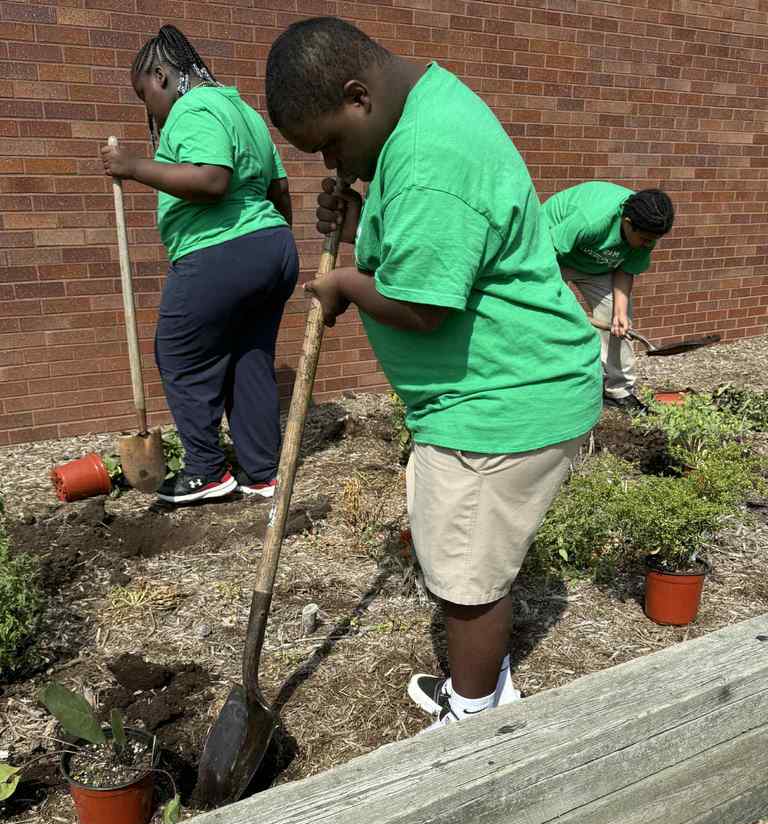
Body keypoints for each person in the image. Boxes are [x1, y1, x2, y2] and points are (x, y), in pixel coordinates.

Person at [265, 18, 602, 729]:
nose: (330, 162)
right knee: (459, 552)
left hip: (503, 397)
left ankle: (475, 719)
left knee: (469, 582)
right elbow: (428, 245)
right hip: (484, 391)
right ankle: (480, 687)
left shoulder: (426, 156)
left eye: (329, 143)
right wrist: (359, 221)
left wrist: (346, 286)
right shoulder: (418, 116)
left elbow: (423, 306)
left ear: (358, 96)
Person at [100, 25, 299, 504]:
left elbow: (211, 180)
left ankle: (207, 471)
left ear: (163, 75)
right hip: (270, 248)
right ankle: (262, 472)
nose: (149, 108)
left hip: (219, 252)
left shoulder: (194, 108)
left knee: (180, 353)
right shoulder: (243, 111)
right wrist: (270, 247)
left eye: (144, 94)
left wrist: (133, 167)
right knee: (249, 359)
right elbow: (280, 190)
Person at [542, 183, 675, 412]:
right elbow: (544, 257)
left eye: (653, 240)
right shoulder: (590, 220)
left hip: (597, 266)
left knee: (619, 324)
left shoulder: (648, 226)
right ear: (627, 222)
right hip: (553, 256)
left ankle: (619, 391)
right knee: (551, 320)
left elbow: (626, 270)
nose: (648, 245)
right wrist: (562, 302)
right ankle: (550, 388)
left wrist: (619, 313)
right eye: (644, 239)